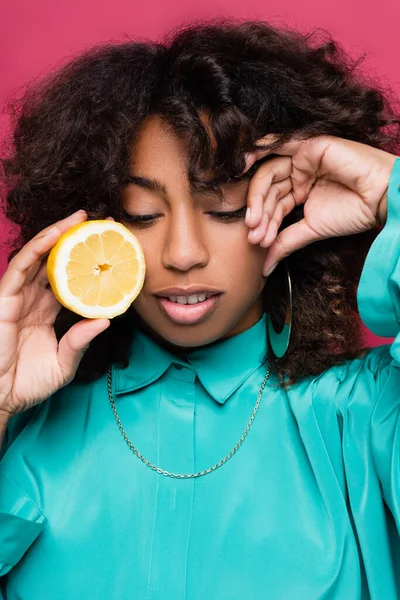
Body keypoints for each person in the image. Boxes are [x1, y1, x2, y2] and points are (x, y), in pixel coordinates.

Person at [0, 18, 399, 600]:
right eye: (141, 214)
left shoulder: (366, 415)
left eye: (225, 209)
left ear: (288, 207)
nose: (182, 255)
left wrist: (391, 191)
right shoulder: (26, 437)